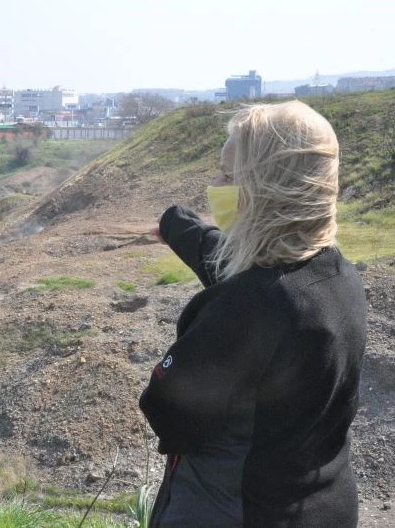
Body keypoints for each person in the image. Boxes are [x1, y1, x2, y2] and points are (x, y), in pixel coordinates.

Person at [139, 100, 366, 527]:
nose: (216, 184)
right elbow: (231, 262)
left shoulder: (245, 307)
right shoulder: (339, 276)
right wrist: (175, 225)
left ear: (269, 187)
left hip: (231, 511)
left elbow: (166, 410)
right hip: (324, 507)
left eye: (228, 176)